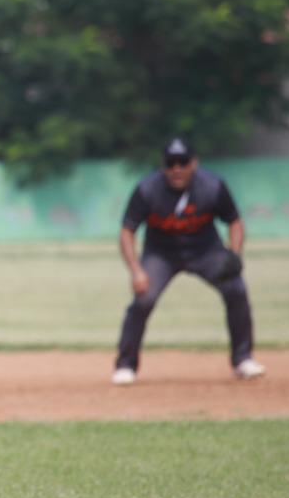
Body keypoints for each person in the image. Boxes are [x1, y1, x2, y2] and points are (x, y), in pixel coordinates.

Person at [112, 137, 265, 385]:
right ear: (162, 165)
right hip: (161, 254)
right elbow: (127, 231)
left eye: (183, 162)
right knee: (143, 299)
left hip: (206, 251)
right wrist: (136, 271)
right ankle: (125, 365)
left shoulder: (212, 186)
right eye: (170, 163)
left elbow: (235, 222)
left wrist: (234, 255)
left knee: (236, 289)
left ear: (194, 163)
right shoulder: (147, 189)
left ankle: (243, 359)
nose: (177, 169)